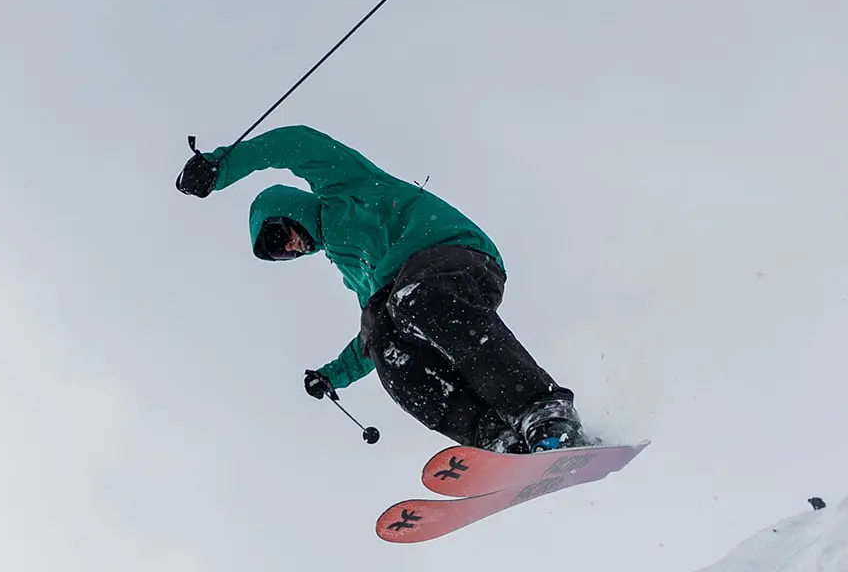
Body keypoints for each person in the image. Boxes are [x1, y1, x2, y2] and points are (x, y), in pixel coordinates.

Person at [177, 126, 585, 454]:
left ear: (290, 210)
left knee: (409, 299)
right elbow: (366, 342)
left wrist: (221, 167)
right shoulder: (357, 272)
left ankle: (542, 409)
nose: (288, 248)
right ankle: (495, 436)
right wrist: (333, 375)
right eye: (278, 254)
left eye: (279, 235)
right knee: (381, 333)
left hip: (454, 253)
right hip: (413, 290)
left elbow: (294, 144)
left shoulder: (342, 187)